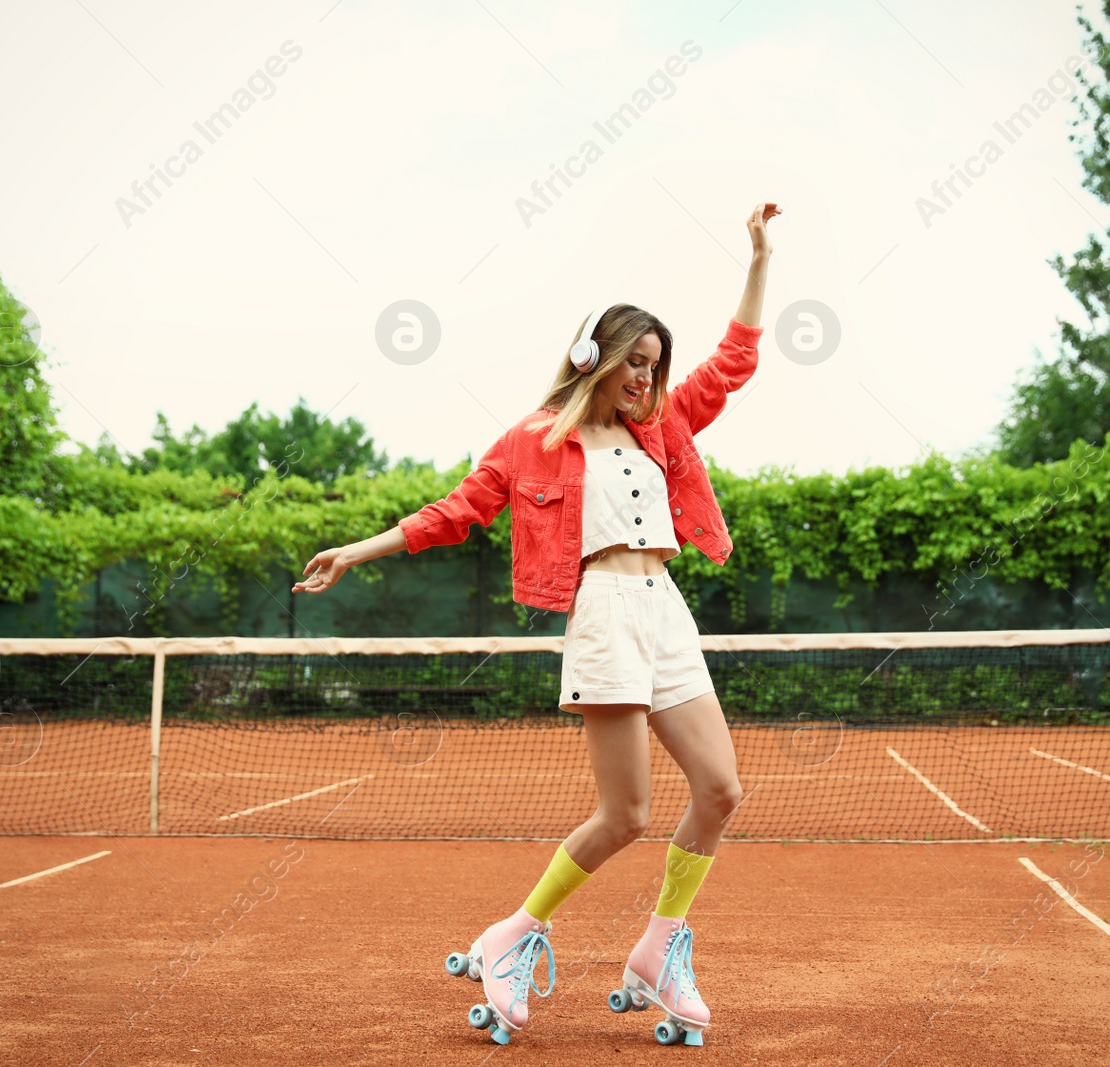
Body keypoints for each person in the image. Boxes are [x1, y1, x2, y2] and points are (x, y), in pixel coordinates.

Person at [293, 201, 780, 1046]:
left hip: (665, 609)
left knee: (721, 789)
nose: (645, 378)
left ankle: (660, 946)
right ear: (594, 355)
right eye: (634, 360)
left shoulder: (660, 424)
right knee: (625, 814)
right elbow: (457, 510)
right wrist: (355, 551)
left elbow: (733, 363)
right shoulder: (534, 440)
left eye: (655, 365)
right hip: (601, 617)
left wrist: (758, 261)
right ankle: (511, 936)